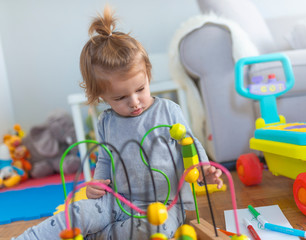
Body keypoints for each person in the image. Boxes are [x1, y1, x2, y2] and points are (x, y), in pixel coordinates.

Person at [14, 5, 222, 240]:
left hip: (165, 204)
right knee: (77, 212)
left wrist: (203, 168)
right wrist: (96, 184)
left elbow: (191, 144)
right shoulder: (107, 121)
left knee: (157, 229)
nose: (134, 102)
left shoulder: (168, 111)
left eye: (140, 89)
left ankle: (99, 236)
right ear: (101, 97)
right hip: (117, 201)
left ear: (148, 75)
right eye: (120, 98)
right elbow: (104, 158)